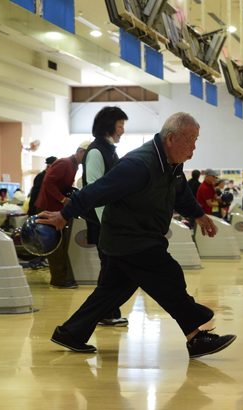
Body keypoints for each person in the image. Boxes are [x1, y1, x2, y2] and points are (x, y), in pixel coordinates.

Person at [38, 112, 236, 358]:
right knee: (169, 277)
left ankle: (71, 333)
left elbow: (180, 192)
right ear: (172, 139)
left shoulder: (171, 164)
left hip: (136, 236)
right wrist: (64, 215)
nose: (194, 148)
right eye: (192, 140)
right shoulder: (139, 165)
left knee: (112, 291)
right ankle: (195, 337)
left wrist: (199, 215)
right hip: (130, 237)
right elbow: (97, 190)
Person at [81, 106, 129, 327]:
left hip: (111, 222)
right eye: (121, 125)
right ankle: (102, 313)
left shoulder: (110, 150)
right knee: (109, 267)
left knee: (112, 268)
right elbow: (94, 190)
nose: (122, 131)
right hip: (103, 223)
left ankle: (108, 312)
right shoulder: (96, 151)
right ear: (110, 126)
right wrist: (107, 223)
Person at [35, 142, 89, 288]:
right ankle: (59, 280)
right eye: (87, 154)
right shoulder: (64, 163)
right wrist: (63, 199)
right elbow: (48, 183)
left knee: (61, 244)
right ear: (80, 152)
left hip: (56, 209)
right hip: (50, 208)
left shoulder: (73, 165)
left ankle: (61, 277)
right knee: (56, 245)